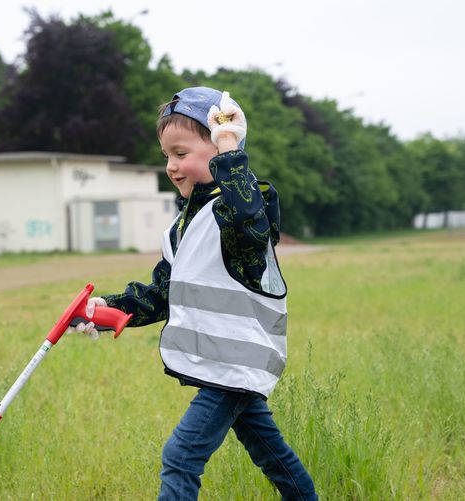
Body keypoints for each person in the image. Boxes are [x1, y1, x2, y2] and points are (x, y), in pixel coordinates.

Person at [73, 86, 317, 500]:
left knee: (181, 456)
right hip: (224, 365)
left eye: (181, 153)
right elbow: (161, 293)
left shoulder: (247, 205)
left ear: (223, 146)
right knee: (270, 453)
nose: (171, 166)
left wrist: (228, 149)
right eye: (166, 155)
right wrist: (106, 307)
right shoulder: (182, 227)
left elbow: (247, 220)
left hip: (236, 360)